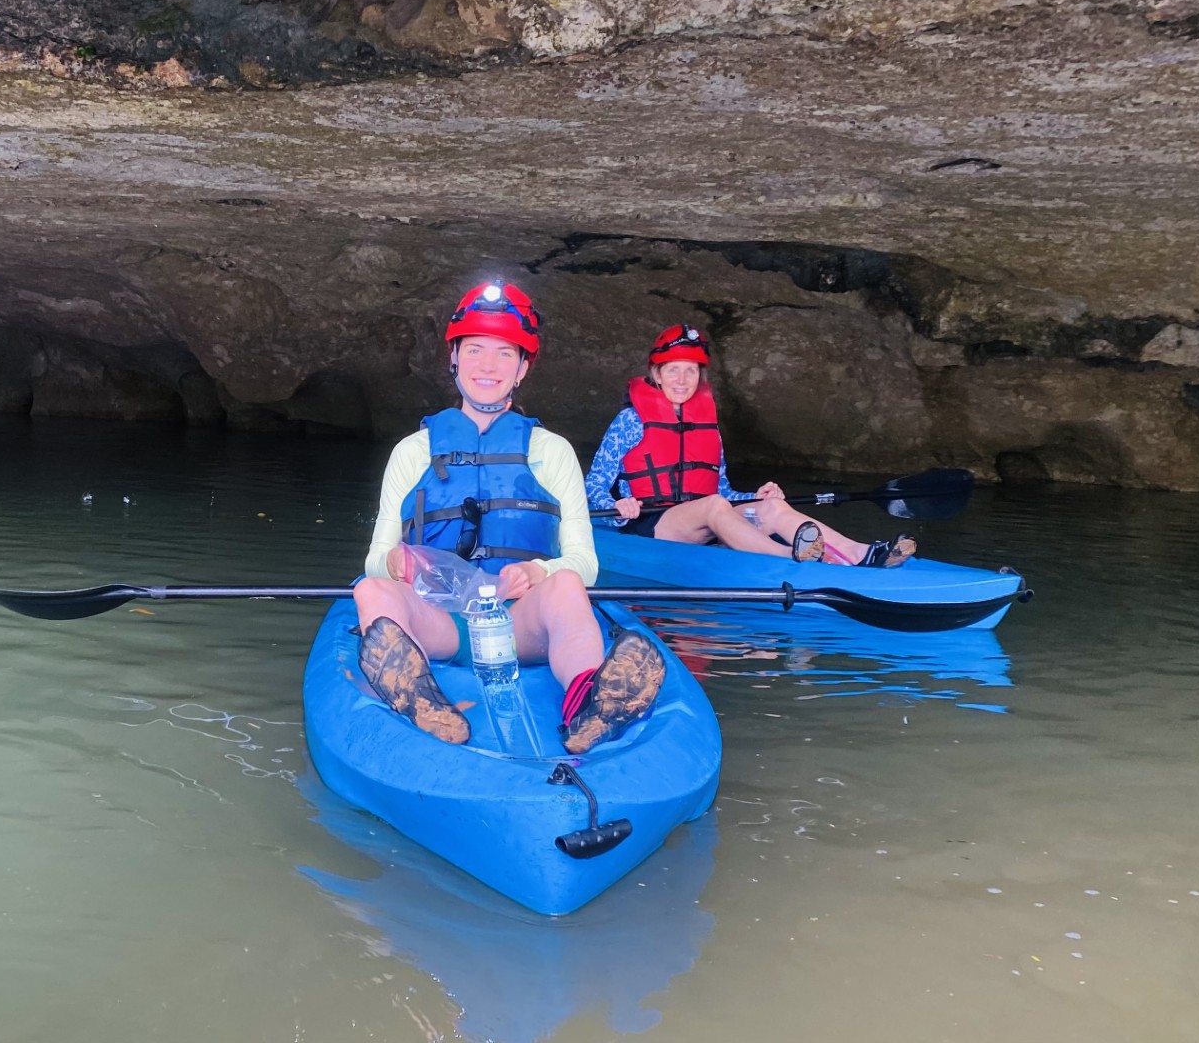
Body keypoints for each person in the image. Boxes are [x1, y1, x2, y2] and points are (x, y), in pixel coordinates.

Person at [352, 281, 669, 754]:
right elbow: (376, 557)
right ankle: (419, 696)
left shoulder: (552, 452)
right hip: (440, 617)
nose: (487, 365)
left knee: (565, 585)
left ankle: (592, 701)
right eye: (475, 349)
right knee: (370, 588)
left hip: (521, 623)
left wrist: (538, 570)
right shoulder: (411, 453)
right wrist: (396, 564)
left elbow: (584, 563)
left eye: (505, 354)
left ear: (522, 369)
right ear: (454, 358)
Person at [586, 324, 916, 567]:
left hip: (705, 522)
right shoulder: (630, 421)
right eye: (673, 370)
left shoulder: (708, 429)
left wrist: (756, 497)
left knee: (770, 508)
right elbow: (594, 485)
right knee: (714, 506)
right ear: (656, 374)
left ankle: (861, 553)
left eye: (691, 371)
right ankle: (791, 556)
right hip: (652, 525)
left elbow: (723, 492)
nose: (682, 380)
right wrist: (617, 507)